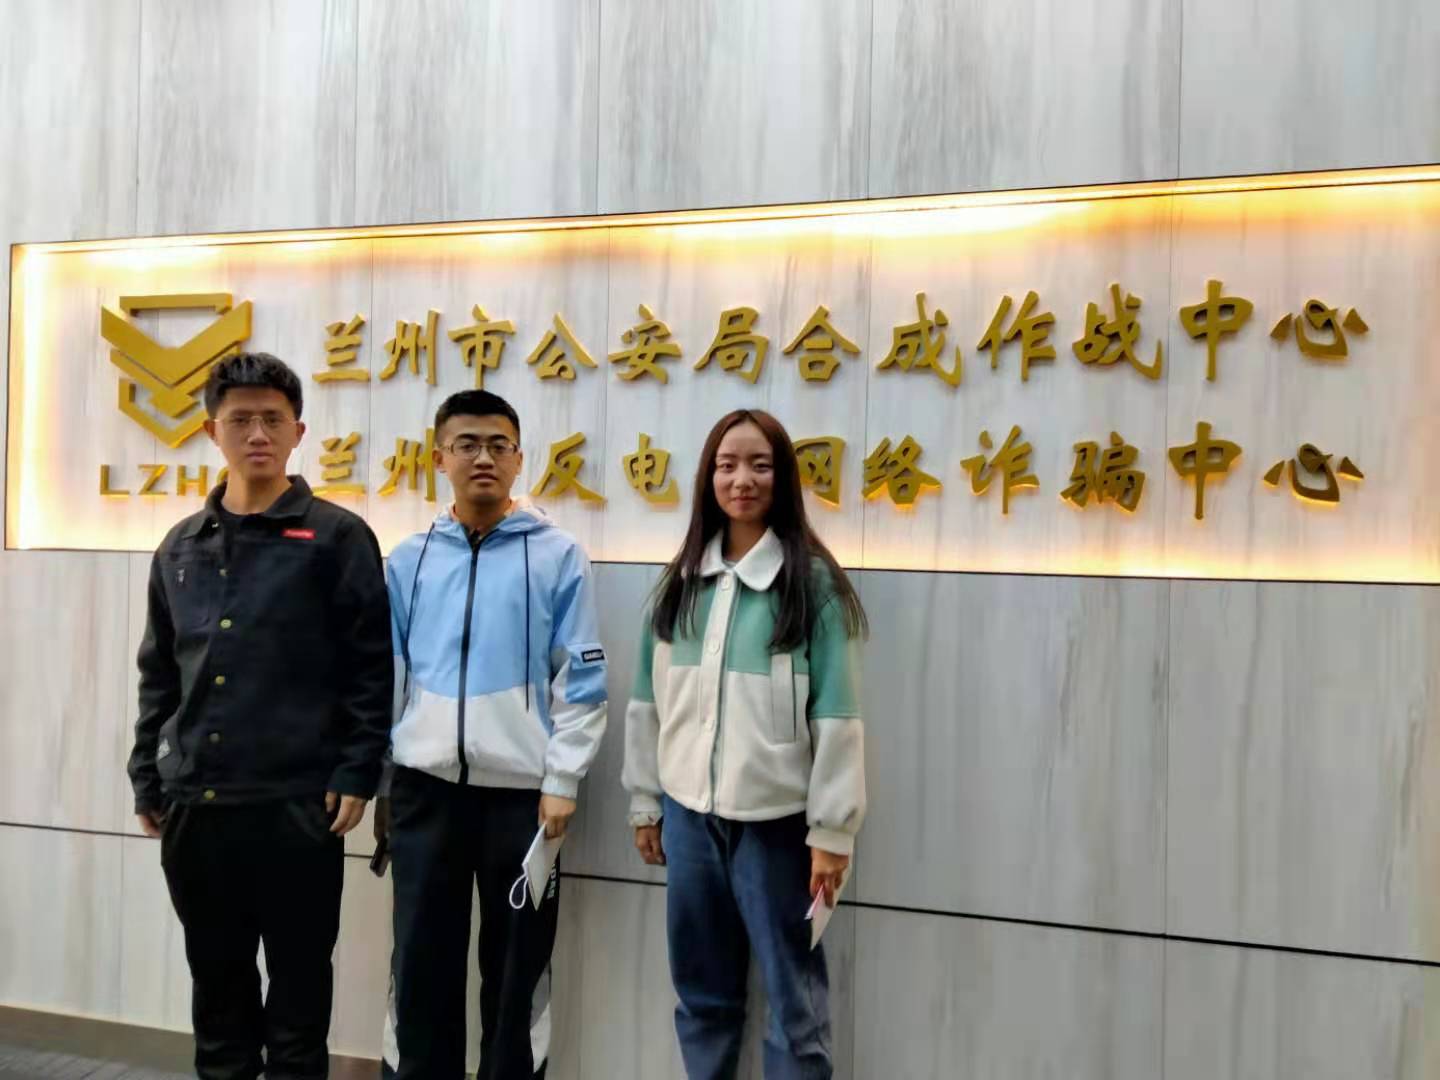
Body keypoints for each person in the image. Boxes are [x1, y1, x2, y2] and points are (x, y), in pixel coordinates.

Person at [127, 352, 393, 1080]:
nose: (257, 434)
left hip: (296, 805)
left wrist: (357, 770)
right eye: (240, 419)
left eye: (272, 420)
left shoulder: (337, 537)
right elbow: (160, 673)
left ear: (298, 432)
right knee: (218, 996)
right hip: (197, 806)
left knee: (299, 1001)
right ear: (211, 431)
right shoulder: (181, 545)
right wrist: (147, 773)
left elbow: (370, 669)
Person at [623, 409, 868, 1080]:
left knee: (795, 1002)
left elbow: (839, 717)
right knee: (701, 992)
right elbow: (647, 702)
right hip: (688, 820)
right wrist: (645, 802)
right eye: (727, 465)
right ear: (708, 478)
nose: (742, 479)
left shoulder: (812, 584)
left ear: (783, 478)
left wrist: (833, 831)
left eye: (760, 465)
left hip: (778, 829)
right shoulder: (678, 584)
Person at [379, 389, 608, 1079]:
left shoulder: (559, 555)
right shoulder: (408, 560)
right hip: (424, 791)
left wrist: (563, 779)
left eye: (497, 445)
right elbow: (387, 675)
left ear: (518, 458)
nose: (483, 457)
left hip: (524, 801)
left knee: (516, 970)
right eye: (467, 444)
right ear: (439, 457)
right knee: (420, 964)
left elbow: (582, 678)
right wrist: (384, 777)